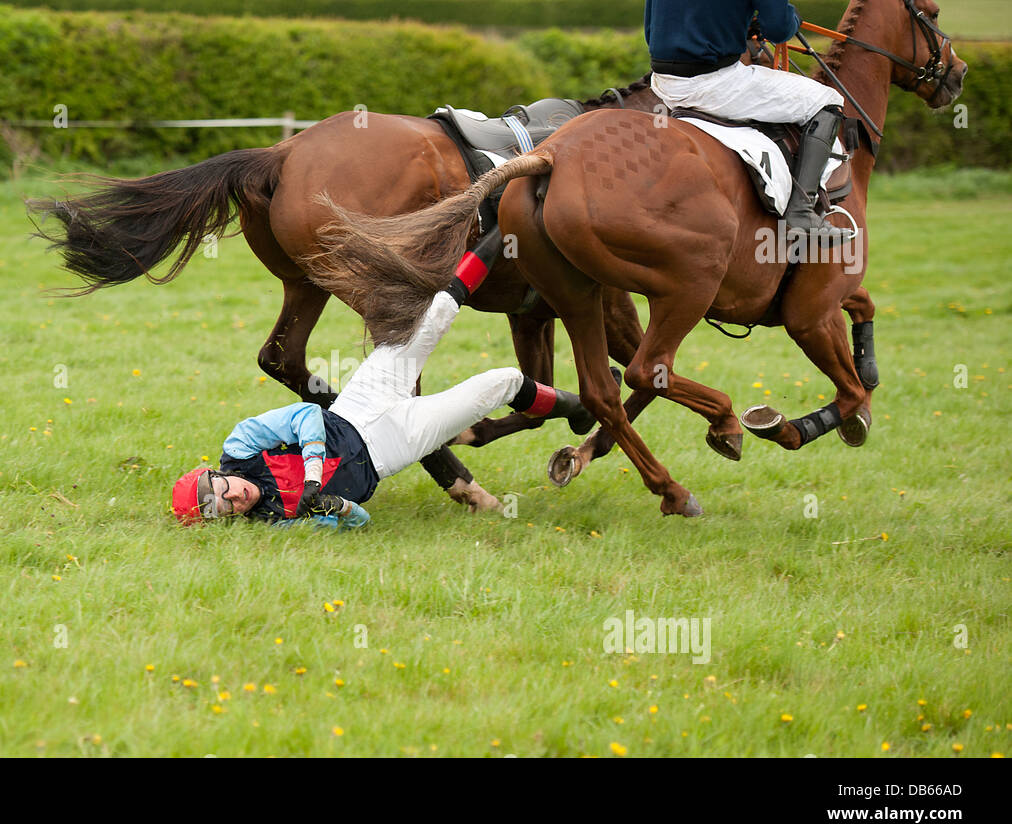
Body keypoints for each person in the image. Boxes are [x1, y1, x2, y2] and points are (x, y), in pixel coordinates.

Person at [171, 237, 614, 529]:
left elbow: (307, 414)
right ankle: (577, 407)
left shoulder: (241, 447)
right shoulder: (274, 521)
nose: (236, 496)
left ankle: (503, 225)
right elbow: (360, 520)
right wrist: (335, 508)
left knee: (436, 314)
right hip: (391, 448)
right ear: (226, 520)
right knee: (503, 381)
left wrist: (309, 478)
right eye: (226, 507)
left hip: (359, 405)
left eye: (223, 488)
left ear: (216, 472)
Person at [645, 0, 852, 242]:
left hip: (663, 81)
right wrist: (791, 17)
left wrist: (735, 25)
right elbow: (779, 29)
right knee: (827, 100)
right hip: (715, 82)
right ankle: (801, 213)